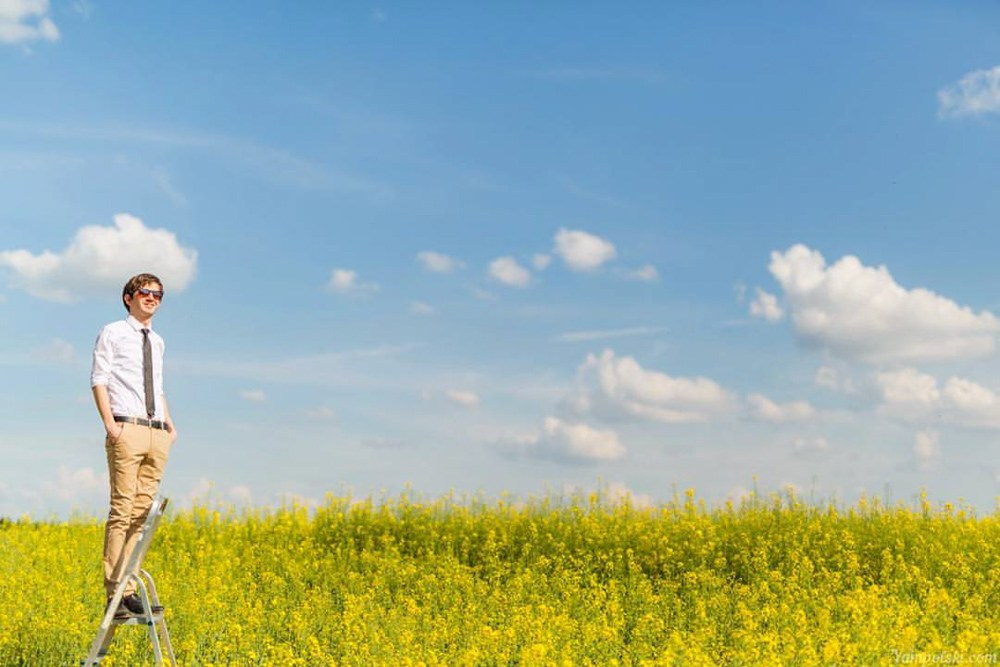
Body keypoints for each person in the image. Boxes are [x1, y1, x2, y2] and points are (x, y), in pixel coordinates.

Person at [91, 273, 177, 618]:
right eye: (145, 292)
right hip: (126, 427)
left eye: (158, 294)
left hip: (157, 431)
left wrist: (170, 426)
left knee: (143, 517)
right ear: (129, 297)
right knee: (122, 511)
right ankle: (116, 593)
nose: (152, 298)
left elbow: (157, 385)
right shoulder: (112, 332)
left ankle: (128, 589)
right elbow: (99, 379)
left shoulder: (157, 341)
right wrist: (110, 425)